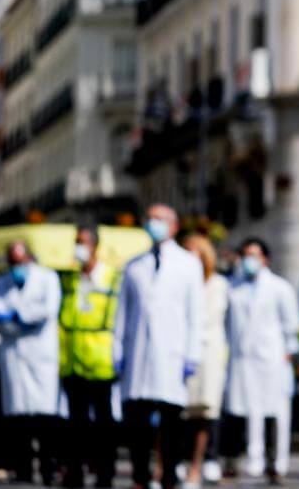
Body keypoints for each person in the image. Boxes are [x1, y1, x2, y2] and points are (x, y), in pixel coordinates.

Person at [114, 204, 204, 489]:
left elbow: (195, 313)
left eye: (160, 220)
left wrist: (192, 355)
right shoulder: (134, 266)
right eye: (150, 219)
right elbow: (122, 314)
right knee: (137, 424)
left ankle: (168, 478)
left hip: (172, 355)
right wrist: (118, 351)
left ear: (174, 226)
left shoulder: (189, 264)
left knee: (170, 425)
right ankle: (140, 477)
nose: (154, 224)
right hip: (138, 354)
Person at [224, 238, 299, 483]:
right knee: (241, 411)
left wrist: (288, 353)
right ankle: (240, 460)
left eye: (255, 255)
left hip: (271, 360)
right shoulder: (233, 287)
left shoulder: (279, 287)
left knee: (273, 414)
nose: (250, 260)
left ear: (266, 259)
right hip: (242, 360)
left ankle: (275, 464)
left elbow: (292, 325)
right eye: (246, 254)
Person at [0, 240, 62, 484]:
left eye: (20, 262)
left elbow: (48, 310)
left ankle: (48, 469)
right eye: (12, 262)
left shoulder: (48, 278)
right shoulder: (1, 282)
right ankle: (23, 469)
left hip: (41, 356)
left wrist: (20, 317)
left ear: (30, 258)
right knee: (18, 419)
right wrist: (17, 321)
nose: (16, 267)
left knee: (45, 418)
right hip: (14, 356)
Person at [58, 226, 122, 488]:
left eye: (82, 242)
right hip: (73, 360)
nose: (78, 247)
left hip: (101, 361)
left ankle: (105, 475)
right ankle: (75, 474)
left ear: (95, 246)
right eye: (76, 242)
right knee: (75, 425)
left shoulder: (110, 278)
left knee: (104, 426)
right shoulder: (71, 279)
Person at [182, 234, 230, 487]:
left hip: (209, 353)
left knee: (205, 411)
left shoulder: (219, 284)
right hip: (182, 352)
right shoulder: (178, 283)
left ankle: (199, 465)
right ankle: (177, 461)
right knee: (180, 412)